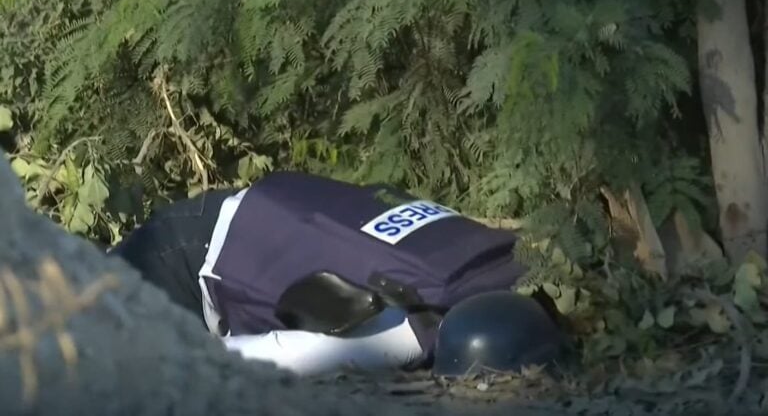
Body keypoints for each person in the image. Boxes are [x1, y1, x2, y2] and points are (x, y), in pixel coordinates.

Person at [110, 171, 566, 376]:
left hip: (253, 224)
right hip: (196, 252)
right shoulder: (399, 337)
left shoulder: (501, 271)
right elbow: (237, 362)